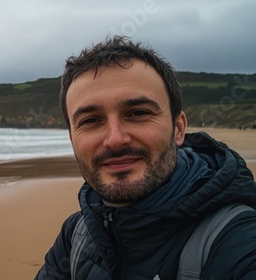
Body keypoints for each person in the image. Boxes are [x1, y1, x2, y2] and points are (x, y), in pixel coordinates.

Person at [34, 36, 256, 279]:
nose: (115, 139)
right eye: (90, 120)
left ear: (178, 129)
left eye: (138, 113)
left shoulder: (236, 238)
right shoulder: (76, 235)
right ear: (71, 138)